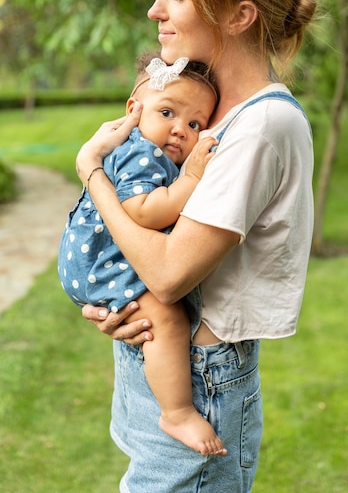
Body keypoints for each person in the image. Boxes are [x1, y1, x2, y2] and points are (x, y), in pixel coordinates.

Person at [75, 0, 317, 493]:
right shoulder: (205, 113)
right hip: (167, 363)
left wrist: (91, 173)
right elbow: (152, 259)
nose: (155, 11)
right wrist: (118, 301)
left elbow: (168, 275)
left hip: (204, 381)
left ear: (239, 14)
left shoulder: (259, 127)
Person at [58, 52, 225, 456]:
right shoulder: (140, 152)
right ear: (133, 110)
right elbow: (143, 211)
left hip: (99, 257)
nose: (180, 130)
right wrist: (192, 178)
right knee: (166, 317)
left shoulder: (147, 149)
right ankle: (178, 412)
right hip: (102, 262)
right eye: (167, 112)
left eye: (194, 123)